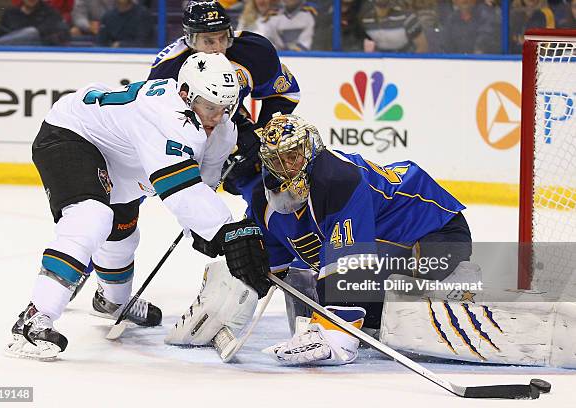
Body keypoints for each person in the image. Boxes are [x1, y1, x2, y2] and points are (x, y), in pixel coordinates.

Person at [5, 52, 272, 360]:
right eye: (210, 107)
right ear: (185, 94)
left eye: (226, 108)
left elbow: (202, 186)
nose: (217, 116)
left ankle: (112, 302)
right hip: (72, 136)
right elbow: (178, 189)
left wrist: (206, 232)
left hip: (123, 161)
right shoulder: (164, 115)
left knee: (122, 238)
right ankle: (34, 318)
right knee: (91, 218)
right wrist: (226, 233)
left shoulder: (223, 128)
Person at [248, 114, 472, 365]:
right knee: (310, 272)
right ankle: (372, 317)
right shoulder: (266, 198)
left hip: (438, 234)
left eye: (293, 156)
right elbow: (271, 266)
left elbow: (352, 262)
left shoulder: (338, 179)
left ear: (309, 148)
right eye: (278, 161)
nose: (287, 166)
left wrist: (335, 333)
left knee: (361, 275)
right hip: (387, 241)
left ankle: (453, 288)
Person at [148, 0, 301, 204]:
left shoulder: (253, 52)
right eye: (209, 41)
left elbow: (285, 94)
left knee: (259, 170)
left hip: (229, 123)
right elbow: (153, 126)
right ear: (190, 40)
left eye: (223, 38)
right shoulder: (167, 71)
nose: (219, 48)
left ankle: (261, 225)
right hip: (183, 132)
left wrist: (261, 133)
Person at [355, 0, 428, 53]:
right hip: (378, 66)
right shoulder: (365, 20)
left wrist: (410, 65)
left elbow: (422, 46)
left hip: (405, 65)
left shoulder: (407, 18)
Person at [0, 0, 70, 45]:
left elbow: (58, 38)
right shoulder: (10, 13)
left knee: (32, 32)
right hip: (12, 55)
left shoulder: (51, 13)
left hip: (40, 57)